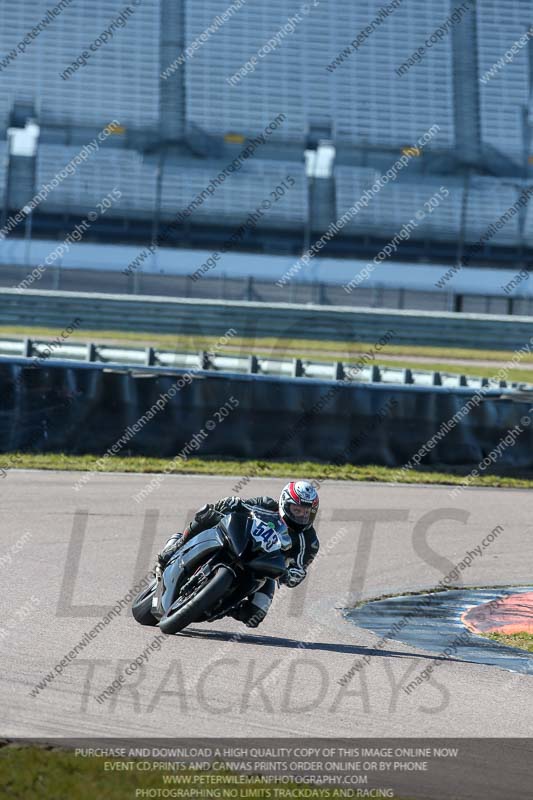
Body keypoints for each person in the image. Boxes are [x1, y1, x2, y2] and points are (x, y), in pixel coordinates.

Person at [157, 480, 320, 628]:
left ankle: (222, 607)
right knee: (207, 514)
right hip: (239, 542)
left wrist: (292, 575)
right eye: (297, 510)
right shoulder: (266, 505)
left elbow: (299, 568)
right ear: (285, 503)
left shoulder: (309, 541)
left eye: (307, 512)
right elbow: (241, 506)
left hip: (263, 569)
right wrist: (231, 503)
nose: (302, 516)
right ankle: (176, 546)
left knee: (255, 615)